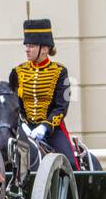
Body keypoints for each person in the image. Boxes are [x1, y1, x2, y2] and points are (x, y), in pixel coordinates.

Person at [9, 17, 77, 168]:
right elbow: (15, 104)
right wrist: (22, 124)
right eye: (26, 45)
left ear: (45, 49)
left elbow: (61, 106)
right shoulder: (17, 72)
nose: (27, 49)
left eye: (31, 46)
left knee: (71, 163)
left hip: (51, 130)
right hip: (24, 129)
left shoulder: (60, 72)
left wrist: (45, 126)